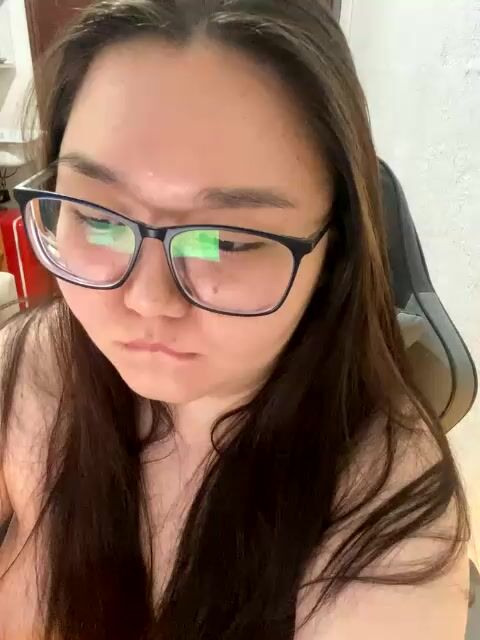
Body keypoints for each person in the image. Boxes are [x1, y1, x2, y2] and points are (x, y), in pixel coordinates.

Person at [0, 1, 471, 639]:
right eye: (99, 217)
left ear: (334, 250)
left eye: (225, 241)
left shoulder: (385, 525)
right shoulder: (37, 362)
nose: (147, 300)